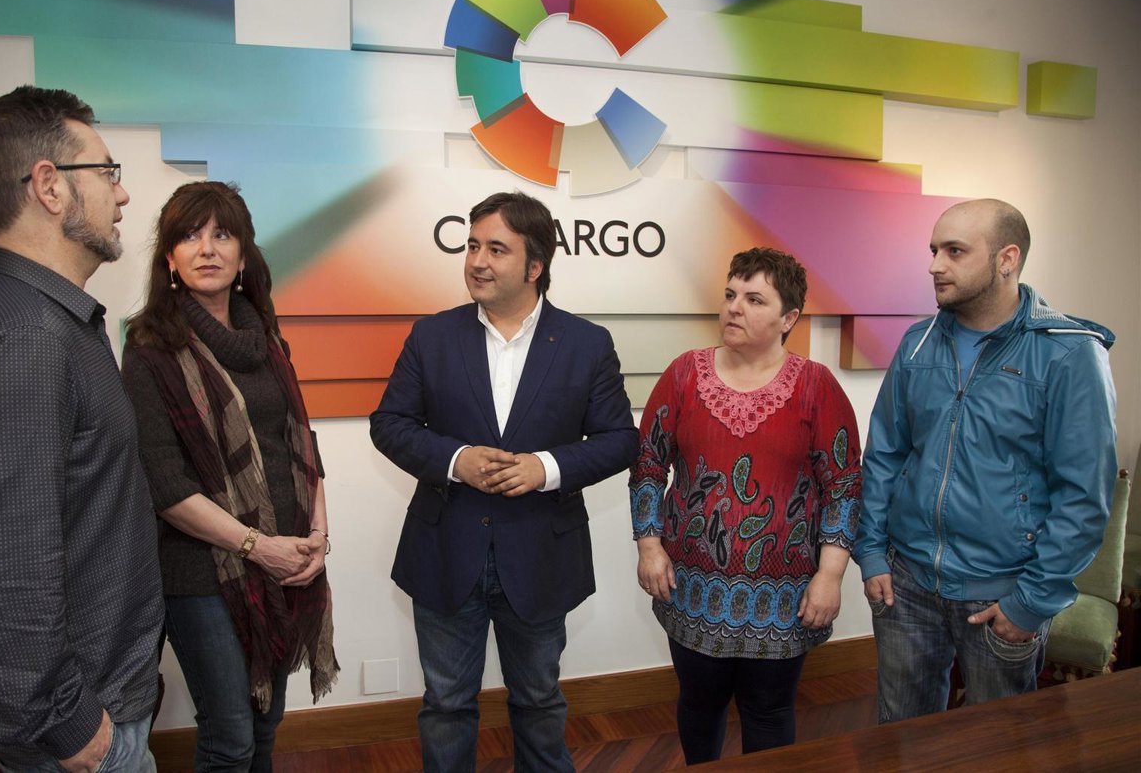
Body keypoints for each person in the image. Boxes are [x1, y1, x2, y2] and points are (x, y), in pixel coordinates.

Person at [370, 190, 637, 772]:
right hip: (446, 551)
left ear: (535, 265)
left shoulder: (587, 343)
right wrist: (456, 459)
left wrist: (547, 468)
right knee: (446, 704)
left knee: (539, 701)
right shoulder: (432, 336)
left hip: (541, 554)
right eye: (471, 246)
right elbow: (388, 425)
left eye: (496, 249)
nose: (477, 261)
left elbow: (620, 440)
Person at [0, 86, 163, 771]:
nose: (122, 194)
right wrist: (69, 727)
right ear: (50, 186)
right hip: (78, 730)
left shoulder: (52, 322)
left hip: (97, 699)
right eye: (107, 171)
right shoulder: (26, 340)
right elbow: (2, 565)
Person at [856, 198, 1117, 721]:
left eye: (954, 251)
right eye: (934, 250)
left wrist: (1033, 601)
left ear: (1006, 259)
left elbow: (1083, 498)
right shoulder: (918, 343)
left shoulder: (1068, 353)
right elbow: (884, 455)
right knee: (901, 737)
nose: (935, 265)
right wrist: (872, 553)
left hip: (1003, 593)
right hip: (906, 585)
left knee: (997, 742)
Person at [121, 181, 339, 771]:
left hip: (284, 560)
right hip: (201, 570)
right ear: (170, 258)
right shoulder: (148, 348)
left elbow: (302, 445)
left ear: (244, 254)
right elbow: (163, 483)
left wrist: (317, 537)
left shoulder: (267, 338)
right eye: (190, 235)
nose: (207, 248)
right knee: (231, 737)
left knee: (266, 726)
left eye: (222, 234)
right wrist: (257, 546)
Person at [630, 247, 862, 763]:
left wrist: (830, 575)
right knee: (699, 706)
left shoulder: (816, 386)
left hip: (784, 598)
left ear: (789, 319)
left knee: (770, 712)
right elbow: (647, 465)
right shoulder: (684, 374)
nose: (735, 307)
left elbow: (844, 486)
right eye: (731, 294)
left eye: (755, 299)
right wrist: (649, 546)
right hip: (691, 589)